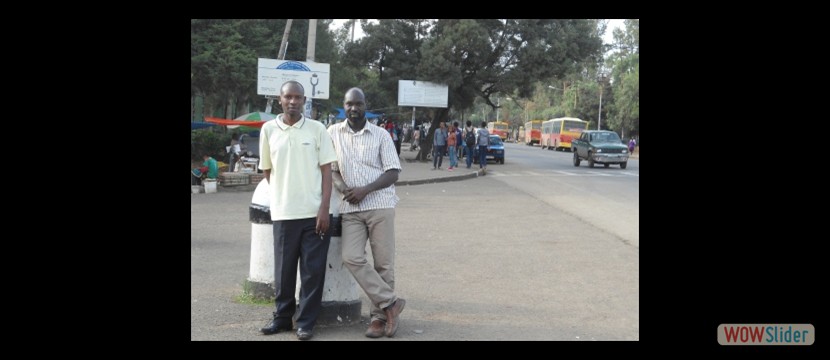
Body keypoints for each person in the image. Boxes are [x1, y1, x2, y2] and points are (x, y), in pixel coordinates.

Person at [258, 80, 337, 341]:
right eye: (288, 97)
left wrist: (324, 209)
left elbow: (327, 171)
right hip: (283, 214)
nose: (293, 101)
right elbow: (268, 170)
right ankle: (282, 318)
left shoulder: (317, 129)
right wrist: (284, 195)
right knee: (284, 271)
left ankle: (305, 323)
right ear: (280, 99)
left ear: (305, 100)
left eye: (298, 97)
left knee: (312, 272)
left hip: (314, 215)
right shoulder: (268, 130)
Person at [328, 87, 406, 338]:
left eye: (358, 104)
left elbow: (393, 172)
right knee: (351, 256)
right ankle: (391, 303)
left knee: (384, 263)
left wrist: (366, 189)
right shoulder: (332, 133)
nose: (353, 108)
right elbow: (331, 169)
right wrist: (343, 189)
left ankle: (378, 319)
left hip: (380, 204)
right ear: (344, 105)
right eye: (349, 103)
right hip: (351, 207)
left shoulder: (381, 135)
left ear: (365, 105)